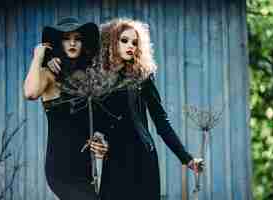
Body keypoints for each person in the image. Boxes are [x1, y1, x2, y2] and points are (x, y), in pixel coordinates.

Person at [96, 18, 204, 200]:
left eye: (134, 42)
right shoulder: (97, 80)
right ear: (111, 42)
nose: (130, 45)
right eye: (124, 40)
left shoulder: (142, 78)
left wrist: (186, 158)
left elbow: (161, 121)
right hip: (113, 159)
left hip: (142, 157)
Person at [23, 17, 108, 200]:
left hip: (85, 167)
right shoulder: (48, 74)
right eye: (66, 38)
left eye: (77, 38)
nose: (72, 43)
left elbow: (95, 120)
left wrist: (100, 138)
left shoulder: (86, 78)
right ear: (58, 43)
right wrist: (38, 56)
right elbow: (30, 93)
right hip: (61, 169)